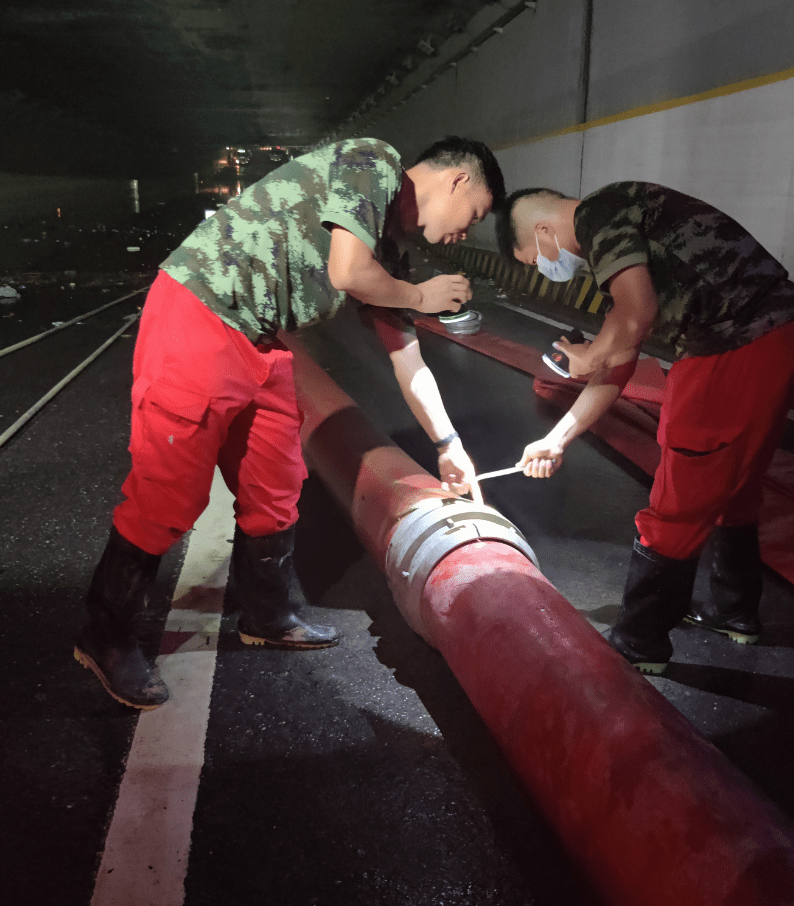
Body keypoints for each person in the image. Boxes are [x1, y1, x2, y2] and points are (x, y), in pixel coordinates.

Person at [75, 136, 506, 708]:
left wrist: (449, 445)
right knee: (168, 496)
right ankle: (105, 638)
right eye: (474, 215)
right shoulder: (373, 162)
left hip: (260, 336)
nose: (464, 234)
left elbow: (408, 360)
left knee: (275, 483)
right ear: (458, 180)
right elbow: (348, 271)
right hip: (200, 312)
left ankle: (267, 614)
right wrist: (423, 296)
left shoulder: (389, 252)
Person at [497, 183, 794, 675]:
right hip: (779, 333)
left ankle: (639, 641)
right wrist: (554, 439)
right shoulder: (626, 230)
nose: (544, 269)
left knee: (682, 487)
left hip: (732, 346)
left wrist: (589, 355)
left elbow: (633, 318)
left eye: (531, 259)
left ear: (543, 231)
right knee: (736, 482)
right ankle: (735, 610)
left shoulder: (600, 216)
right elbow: (623, 352)